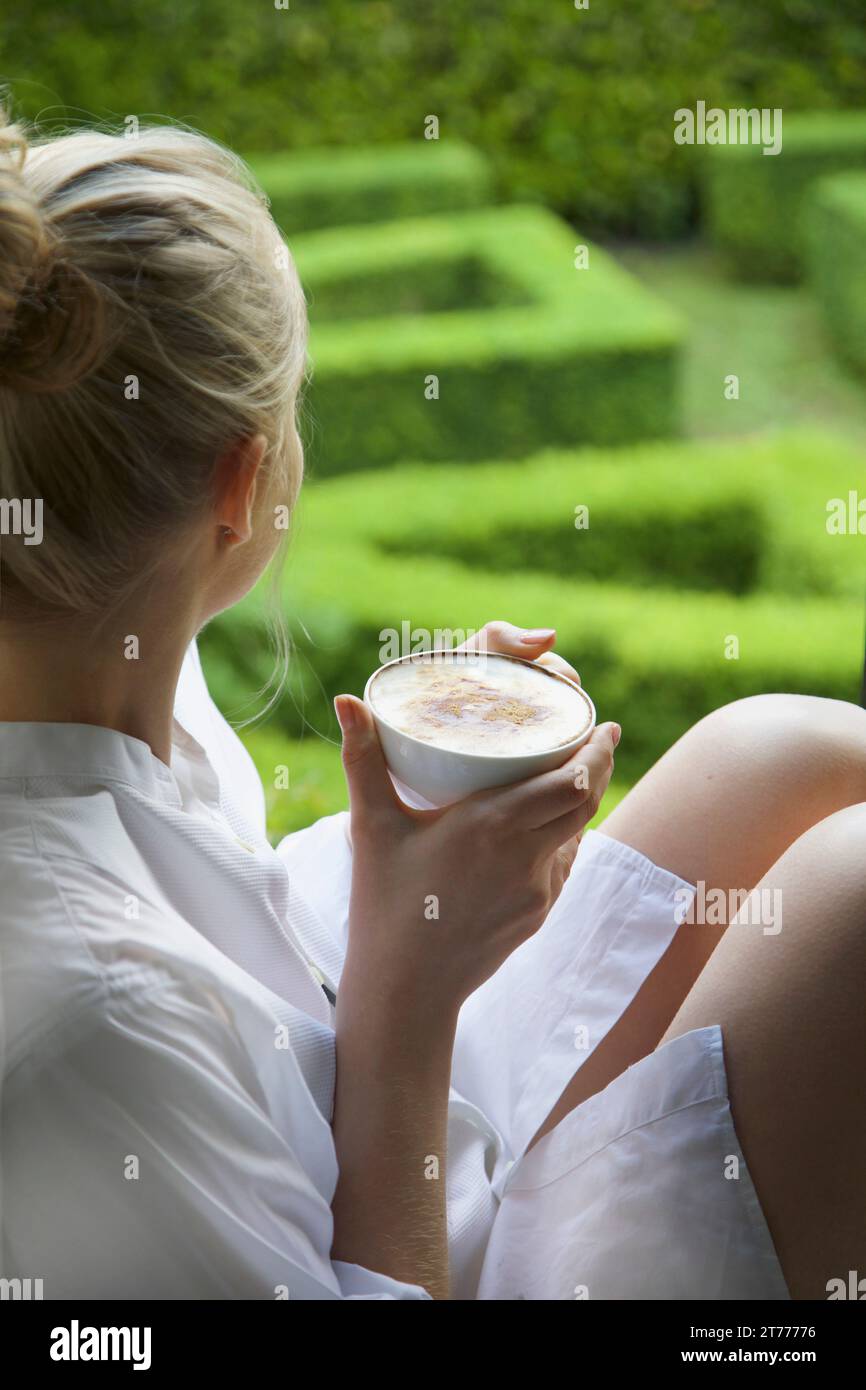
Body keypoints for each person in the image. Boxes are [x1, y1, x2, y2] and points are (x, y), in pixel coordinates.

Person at [0, 110, 863, 1302]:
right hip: (406, 1217)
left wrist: (427, 792)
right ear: (242, 481)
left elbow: (227, 935)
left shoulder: (110, 664)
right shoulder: (92, 1027)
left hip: (368, 1083)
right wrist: (410, 1002)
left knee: (790, 751)